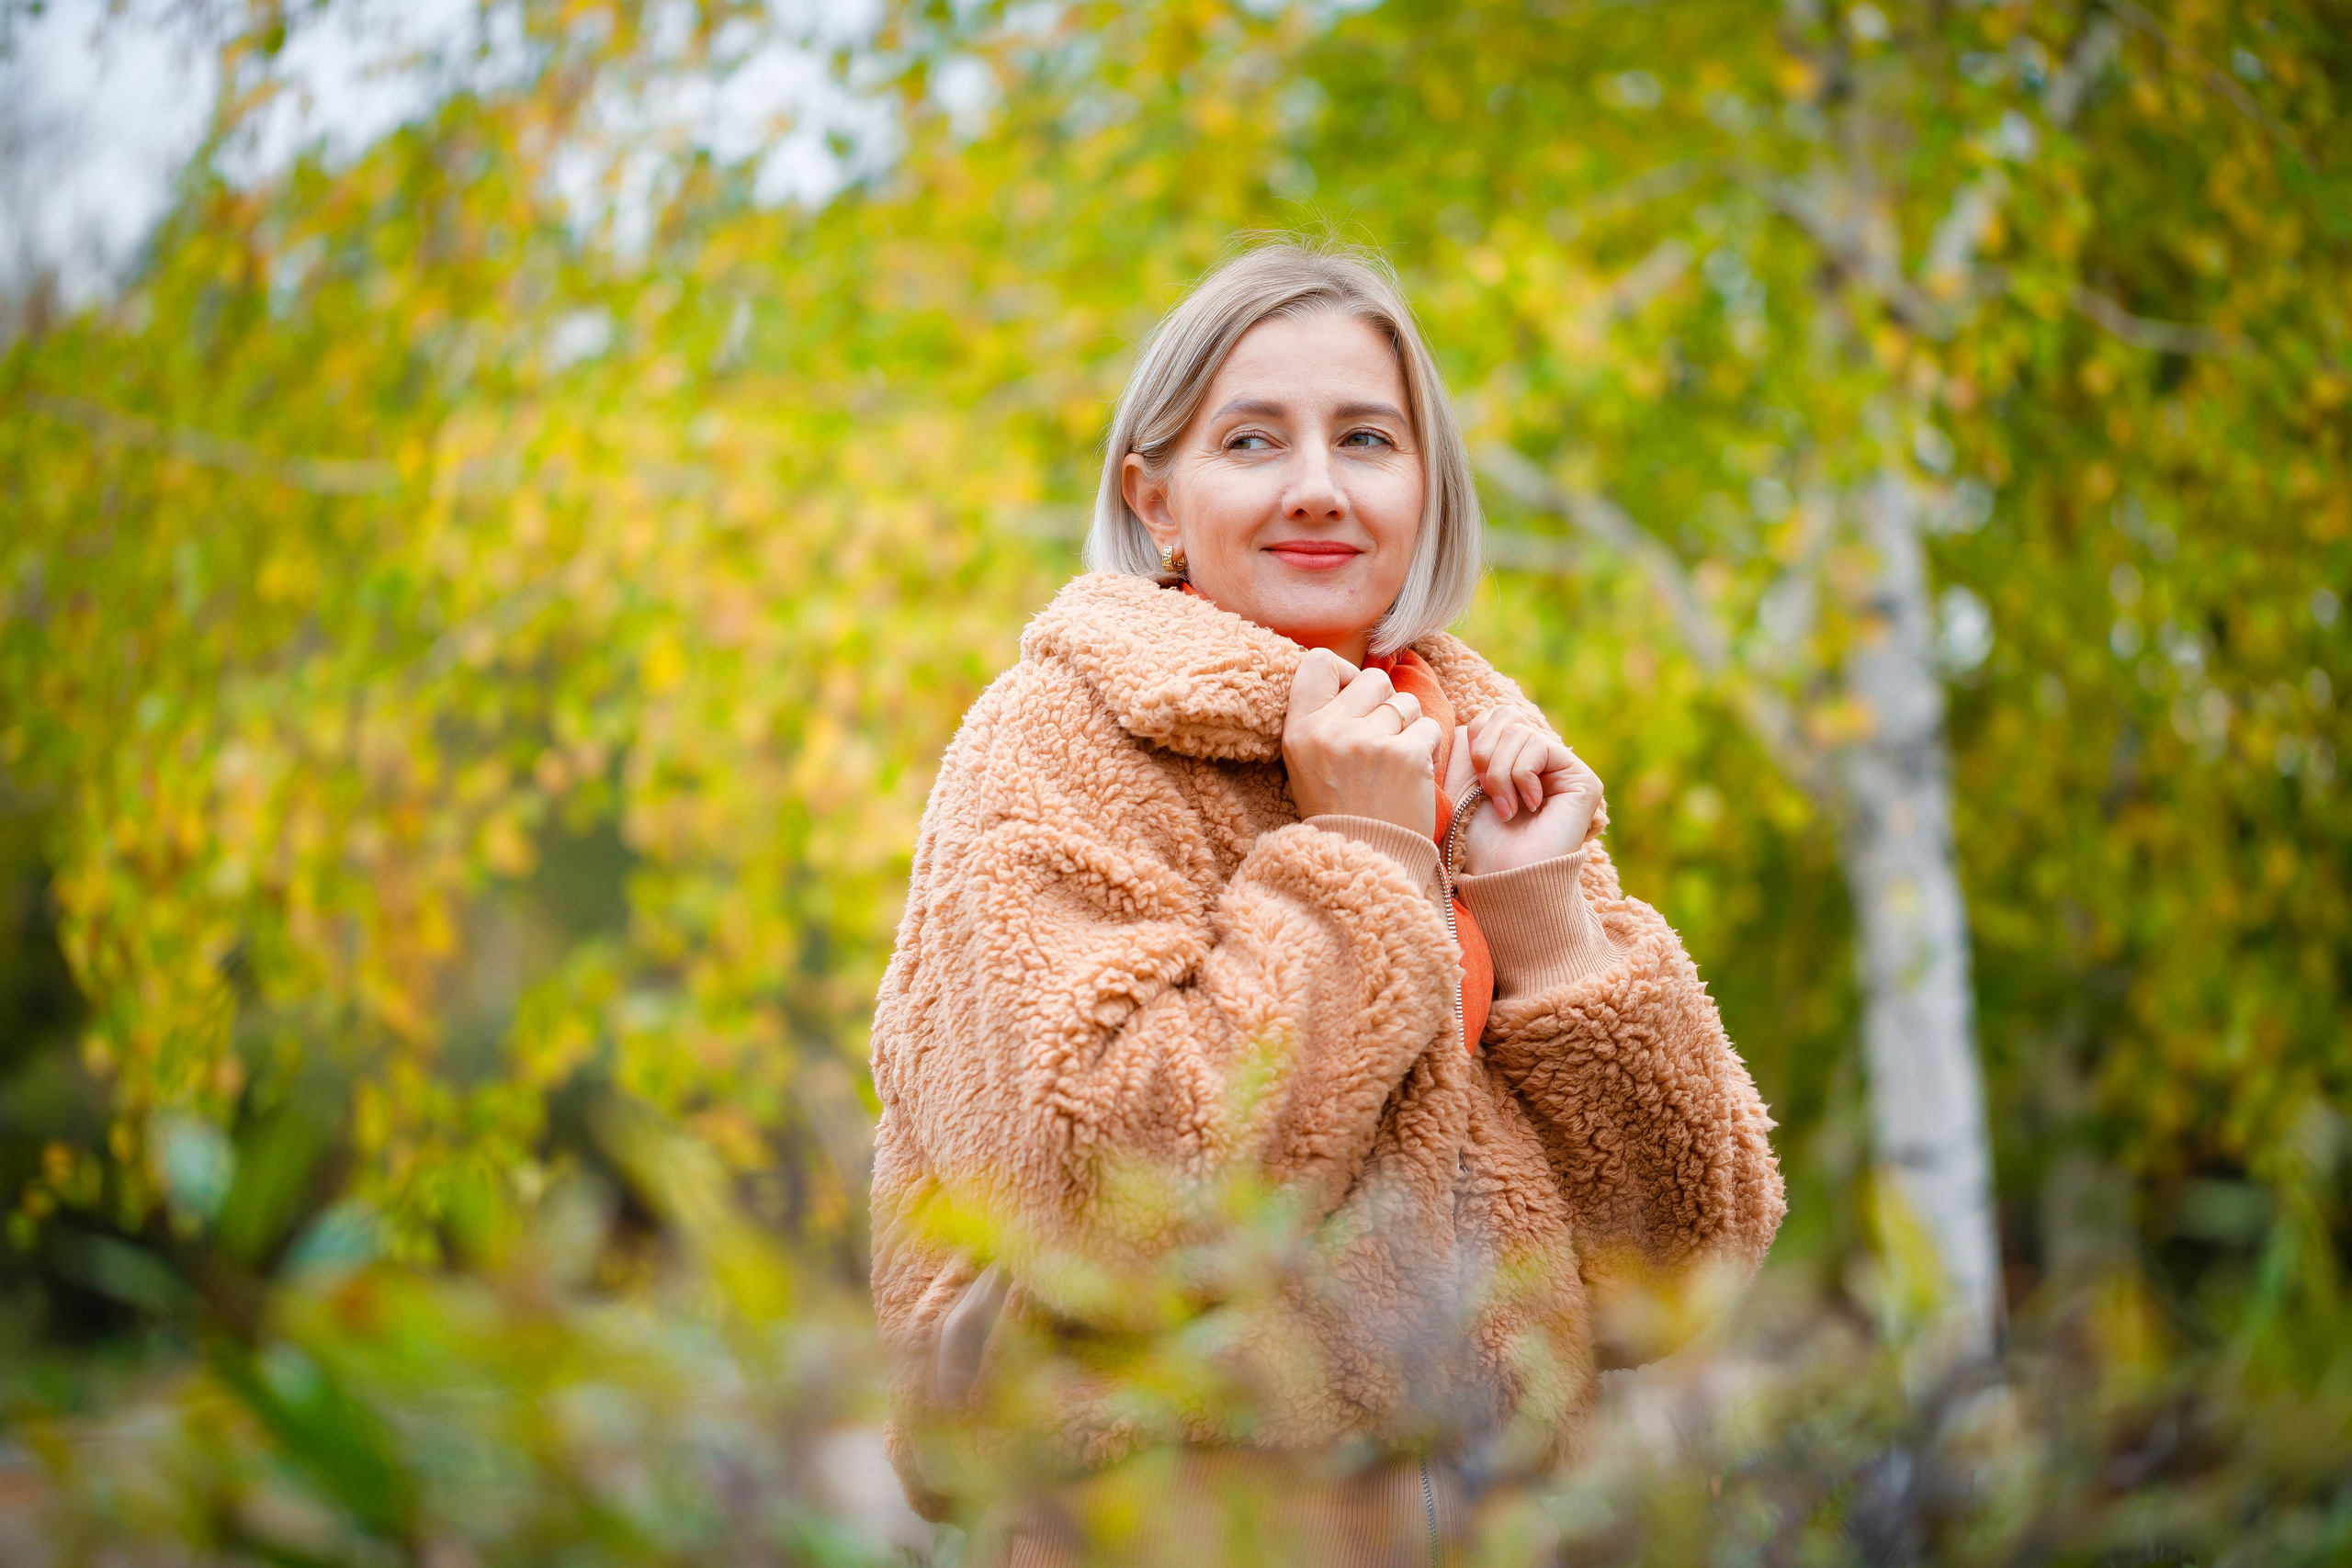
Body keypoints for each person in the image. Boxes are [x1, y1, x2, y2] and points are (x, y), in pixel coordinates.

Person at [868, 241, 1784, 1566]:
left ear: (1425, 489)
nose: (1317, 487)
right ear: (1156, 499)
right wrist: (1359, 852)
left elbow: (1686, 1266)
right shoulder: (1056, 745)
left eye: (1366, 438)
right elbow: (1103, 1201)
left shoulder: (1478, 756)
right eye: (1252, 441)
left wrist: (1540, 912)